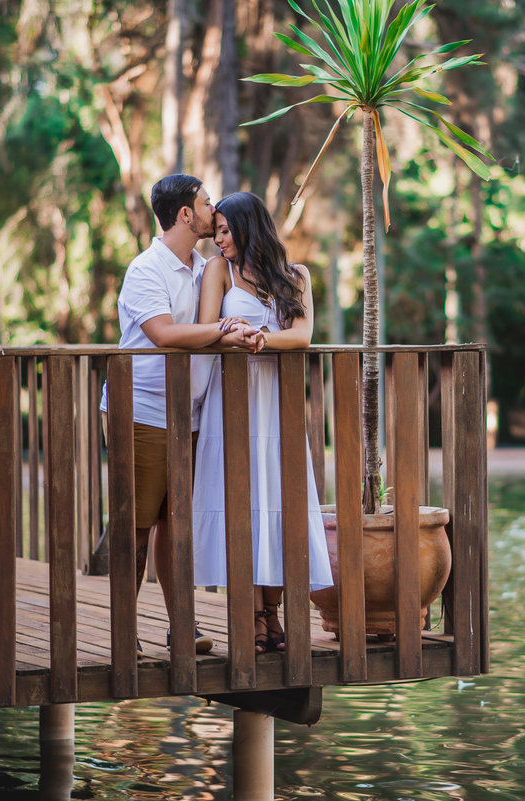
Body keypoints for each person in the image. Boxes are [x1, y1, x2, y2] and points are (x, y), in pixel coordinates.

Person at [99, 174, 262, 656]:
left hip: (190, 414)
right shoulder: (145, 269)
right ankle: (123, 632)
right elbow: (165, 335)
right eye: (207, 203)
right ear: (186, 214)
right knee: (136, 524)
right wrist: (224, 331)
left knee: (177, 523)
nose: (215, 210)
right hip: (142, 410)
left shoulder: (208, 267)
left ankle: (182, 627)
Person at [190, 191, 334, 653]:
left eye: (225, 231)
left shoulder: (296, 275)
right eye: (216, 232)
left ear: (249, 226)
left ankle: (273, 613)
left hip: (276, 401)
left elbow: (303, 336)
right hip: (232, 400)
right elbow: (206, 332)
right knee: (241, 503)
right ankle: (250, 614)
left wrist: (261, 339)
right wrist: (232, 333)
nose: (219, 240)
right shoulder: (218, 271)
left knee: (277, 502)